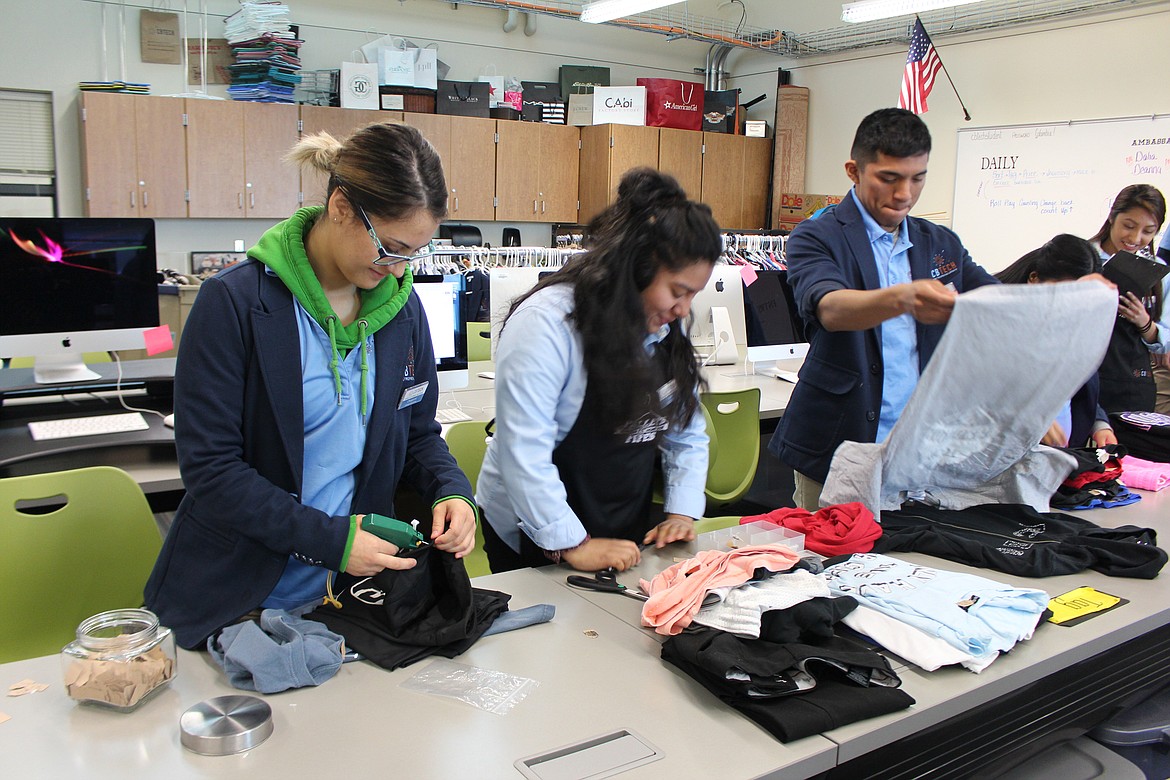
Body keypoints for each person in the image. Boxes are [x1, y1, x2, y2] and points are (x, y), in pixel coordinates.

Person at [146, 122, 478, 650]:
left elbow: (417, 432)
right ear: (342, 207)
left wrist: (453, 491)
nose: (399, 269)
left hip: (353, 599)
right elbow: (213, 471)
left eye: (412, 254)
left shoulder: (400, 309)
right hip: (241, 596)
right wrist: (331, 541)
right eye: (391, 248)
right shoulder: (233, 305)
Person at [477, 169, 720, 573]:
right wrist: (571, 542)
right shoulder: (548, 323)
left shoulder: (661, 328)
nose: (683, 309)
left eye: (693, 294)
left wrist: (681, 511)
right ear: (636, 268)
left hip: (620, 522)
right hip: (536, 526)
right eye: (678, 291)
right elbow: (524, 453)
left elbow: (686, 433)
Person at [767, 107, 998, 511]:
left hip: (918, 451)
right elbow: (831, 308)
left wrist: (1069, 293)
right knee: (830, 564)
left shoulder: (941, 242)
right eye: (888, 178)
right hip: (839, 445)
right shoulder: (816, 236)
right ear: (854, 171)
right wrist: (903, 298)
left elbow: (996, 302)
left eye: (917, 178)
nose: (904, 194)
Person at [995, 234, 1117, 448]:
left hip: (1054, 459)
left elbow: (1078, 384)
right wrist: (1026, 416)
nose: (1070, 305)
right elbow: (981, 392)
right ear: (1034, 279)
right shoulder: (997, 323)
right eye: (1063, 293)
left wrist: (1099, 424)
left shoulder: (1076, 323)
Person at [1087, 184, 1168, 412]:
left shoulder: (1159, 272)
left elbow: (1165, 339)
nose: (1135, 237)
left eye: (1148, 231)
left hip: (1132, 383)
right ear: (1112, 216)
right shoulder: (1083, 256)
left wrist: (1144, 322)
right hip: (1080, 378)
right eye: (1129, 226)